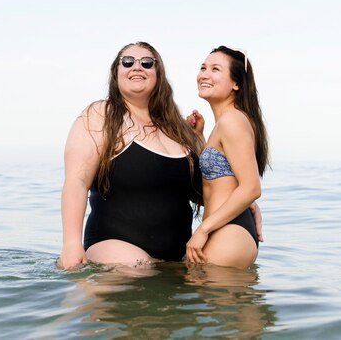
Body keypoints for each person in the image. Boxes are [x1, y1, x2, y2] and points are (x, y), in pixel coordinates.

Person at [58, 41, 204, 270]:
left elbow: (201, 193)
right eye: (127, 62)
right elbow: (76, 181)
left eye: (147, 63)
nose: (137, 67)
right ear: (116, 73)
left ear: (158, 74)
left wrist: (243, 203)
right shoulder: (101, 115)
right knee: (140, 269)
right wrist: (71, 244)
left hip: (174, 261)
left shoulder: (180, 131)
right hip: (115, 250)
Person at [185, 46, 269, 269]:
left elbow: (251, 188)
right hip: (224, 229)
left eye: (215, 69)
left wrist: (202, 230)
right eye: (203, 67)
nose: (204, 74)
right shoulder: (224, 123)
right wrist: (199, 138)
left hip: (229, 231)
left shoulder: (233, 121)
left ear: (236, 84)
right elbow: (219, 176)